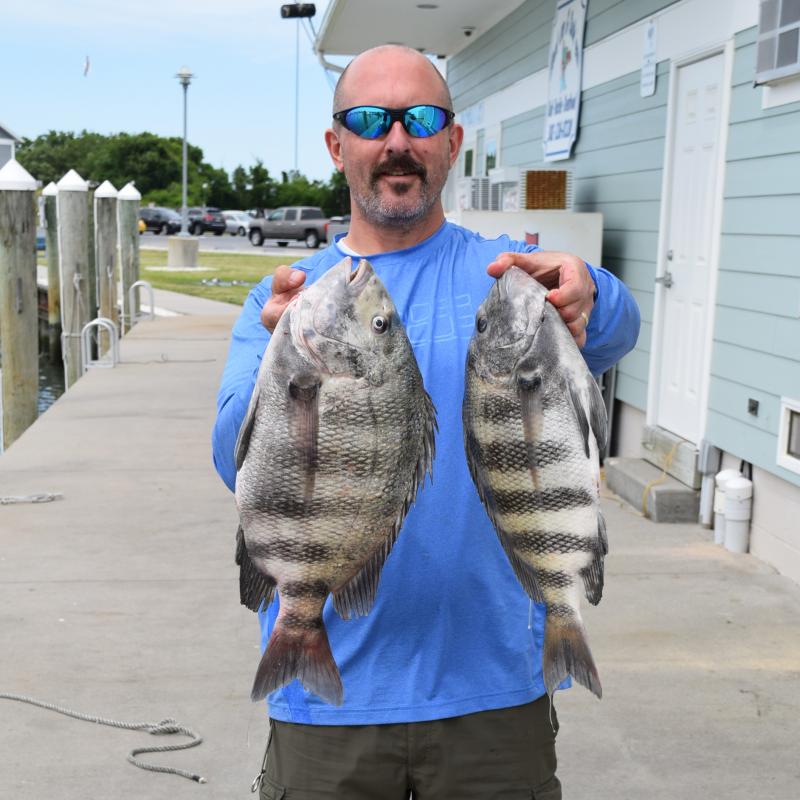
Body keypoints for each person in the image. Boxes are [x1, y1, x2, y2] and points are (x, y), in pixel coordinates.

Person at [213, 44, 640, 799]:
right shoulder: (286, 301)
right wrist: (280, 380)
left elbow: (615, 331)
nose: (397, 141)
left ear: (453, 141)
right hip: (326, 701)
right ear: (336, 144)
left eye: (422, 119)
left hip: (495, 692)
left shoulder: (505, 275)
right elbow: (230, 459)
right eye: (372, 120)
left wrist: (590, 290)